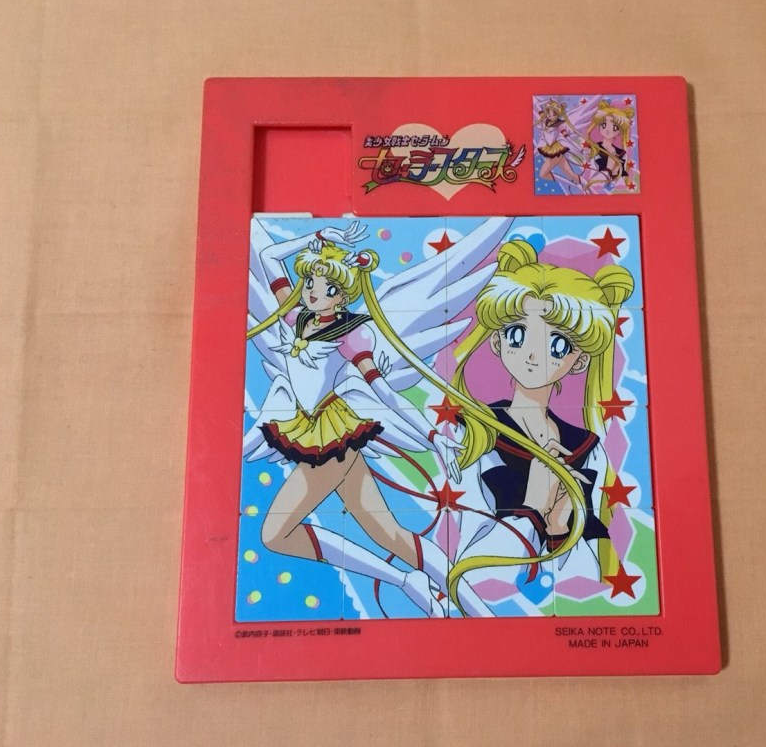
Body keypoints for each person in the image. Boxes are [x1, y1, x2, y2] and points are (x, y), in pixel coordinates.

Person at [245, 221, 493, 617]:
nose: (313, 292)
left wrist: (433, 438)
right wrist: (317, 238)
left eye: (327, 288)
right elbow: (267, 256)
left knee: (275, 533)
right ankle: (459, 603)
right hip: (315, 434)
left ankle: (414, 586)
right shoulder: (298, 318)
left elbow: (387, 395)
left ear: (343, 296)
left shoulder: (351, 334)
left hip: (331, 441)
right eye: (309, 282)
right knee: (392, 536)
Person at [444, 240, 634, 607]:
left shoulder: (587, 448)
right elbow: (470, 570)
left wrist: (559, 529)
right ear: (497, 342)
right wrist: (532, 506)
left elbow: (586, 582)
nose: (533, 355)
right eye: (518, 335)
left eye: (558, 345)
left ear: (579, 361)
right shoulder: (476, 431)